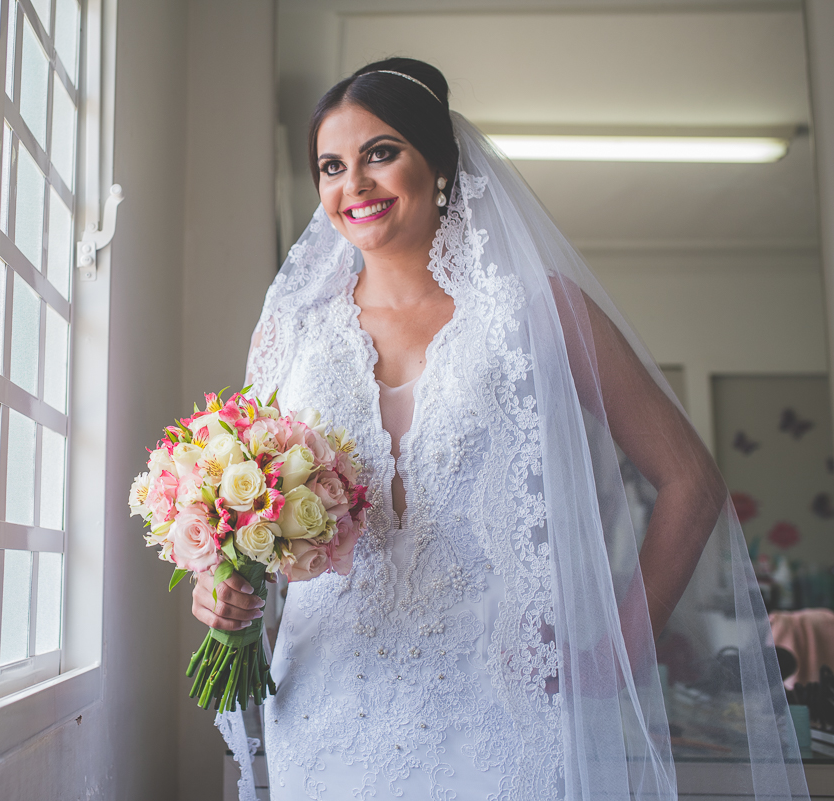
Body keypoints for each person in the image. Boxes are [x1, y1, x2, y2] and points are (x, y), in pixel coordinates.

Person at [193, 58, 809, 800]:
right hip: (328, 702)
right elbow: (242, 510)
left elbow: (692, 480)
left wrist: (616, 655)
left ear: (441, 163)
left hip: (499, 713)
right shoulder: (291, 330)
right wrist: (219, 584)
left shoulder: (534, 308)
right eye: (331, 165)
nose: (351, 184)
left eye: (380, 153)